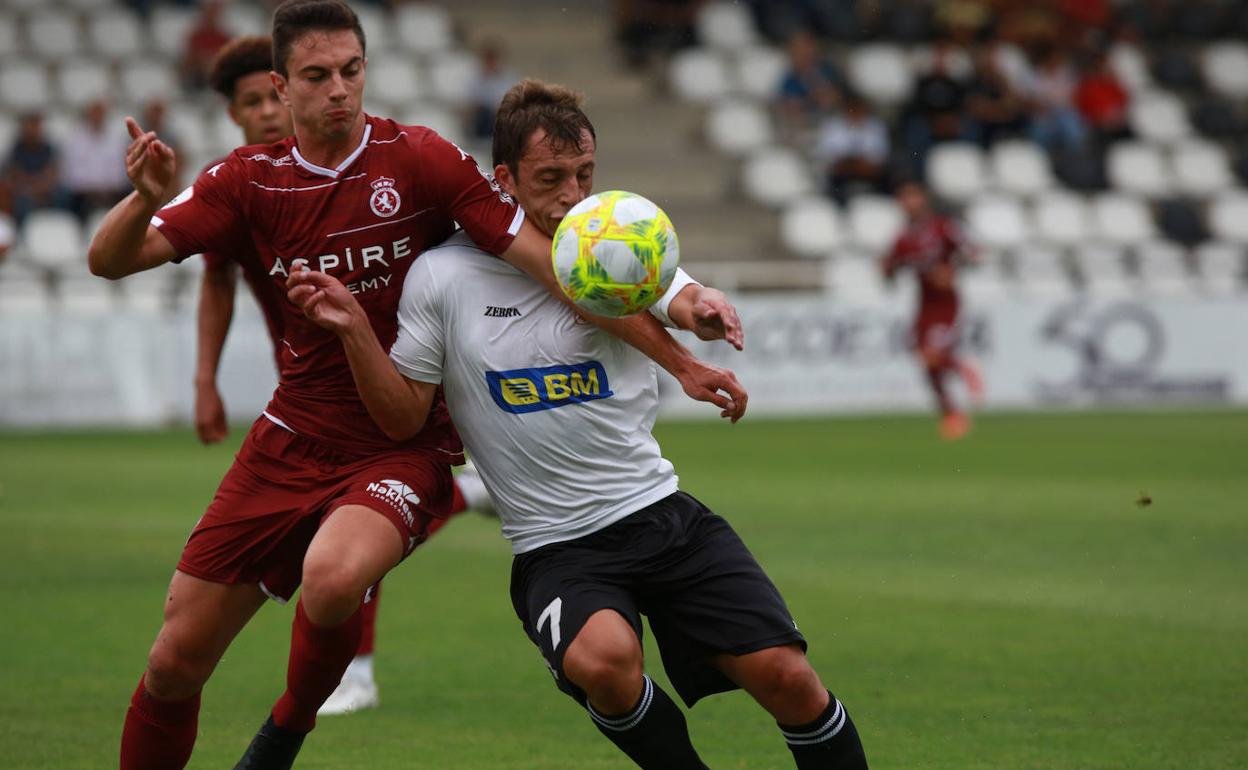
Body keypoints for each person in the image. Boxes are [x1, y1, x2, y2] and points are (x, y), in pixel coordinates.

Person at [86, 2, 741, 768]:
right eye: (317, 75)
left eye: (351, 70)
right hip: (288, 438)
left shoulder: (421, 160)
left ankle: (285, 732)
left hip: (399, 441)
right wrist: (143, 199)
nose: (339, 88)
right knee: (172, 665)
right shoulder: (246, 180)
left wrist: (684, 358)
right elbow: (109, 261)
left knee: (332, 581)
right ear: (280, 84)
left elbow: (565, 269)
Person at [287, 78, 869, 770]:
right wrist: (355, 331)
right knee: (607, 660)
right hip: (557, 547)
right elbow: (402, 416)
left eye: (585, 173)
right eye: (551, 177)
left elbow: (677, 291)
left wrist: (703, 307)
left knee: (789, 679)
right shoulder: (443, 277)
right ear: (503, 179)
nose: (572, 194)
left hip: (660, 515)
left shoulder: (611, 241)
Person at [881, 181, 982, 440]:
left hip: (947, 303)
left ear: (923, 199)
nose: (909, 203)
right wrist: (885, 269)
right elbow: (890, 272)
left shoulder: (943, 226)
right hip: (925, 304)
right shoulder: (903, 238)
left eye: (913, 197)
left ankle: (961, 368)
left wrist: (952, 269)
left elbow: (973, 254)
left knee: (933, 355)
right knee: (926, 364)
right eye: (904, 199)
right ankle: (951, 414)